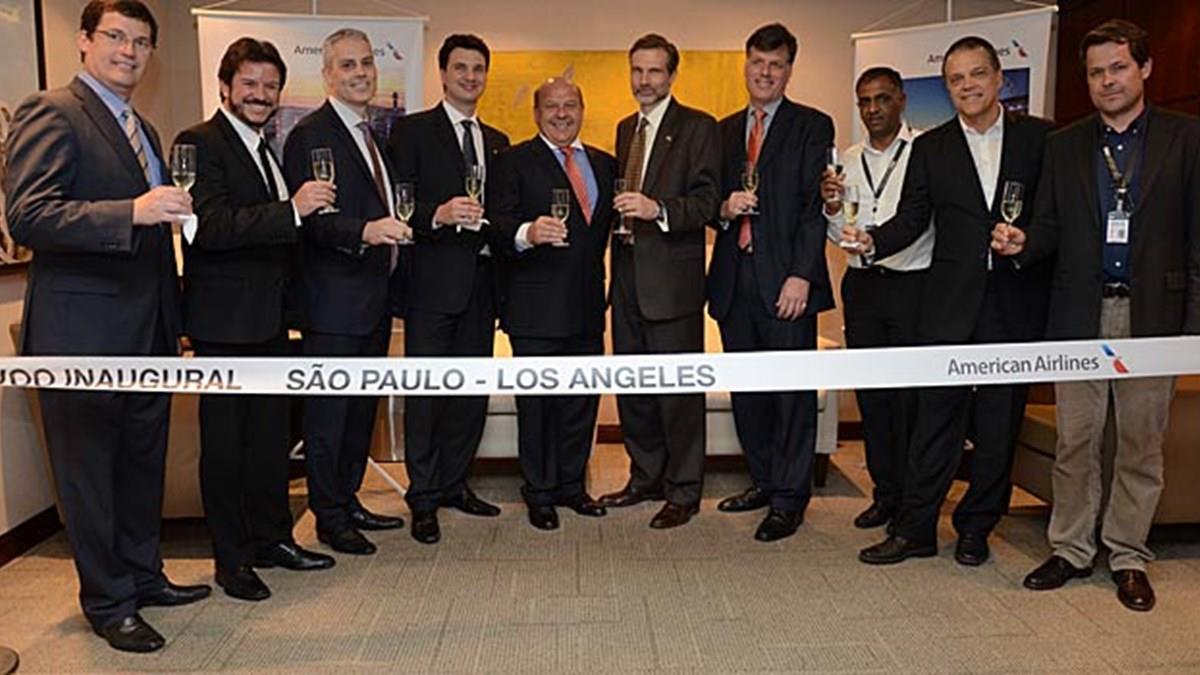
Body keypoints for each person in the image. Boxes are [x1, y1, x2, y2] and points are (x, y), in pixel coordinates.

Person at [3, 0, 210, 652]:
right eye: (116, 36)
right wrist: (132, 211)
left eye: (142, 42)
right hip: (82, 335)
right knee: (90, 475)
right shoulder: (52, 110)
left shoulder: (142, 127)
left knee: (140, 467)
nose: (129, 51)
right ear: (85, 41)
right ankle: (108, 601)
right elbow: (29, 216)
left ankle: (144, 575)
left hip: (149, 333)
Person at [994, 20, 1200, 612]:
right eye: (1095, 72)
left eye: (1118, 67)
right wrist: (1022, 243)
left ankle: (1129, 555)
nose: (1107, 80)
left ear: (1145, 68)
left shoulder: (1186, 138)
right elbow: (1050, 227)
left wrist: (1191, 329)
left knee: (1140, 444)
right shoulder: (1064, 144)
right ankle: (1072, 548)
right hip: (1079, 313)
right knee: (1076, 441)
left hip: (1154, 315)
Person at [847, 36, 1052, 567]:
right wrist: (873, 242)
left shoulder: (1041, 139)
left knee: (998, 425)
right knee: (934, 421)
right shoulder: (931, 147)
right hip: (947, 305)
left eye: (977, 74)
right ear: (947, 88)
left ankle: (976, 527)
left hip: (1013, 303)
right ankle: (915, 529)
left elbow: (1055, 219)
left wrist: (1028, 241)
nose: (968, 86)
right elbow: (914, 217)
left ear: (999, 77)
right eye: (956, 79)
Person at [175, 37, 336, 602]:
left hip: (270, 323)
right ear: (225, 86)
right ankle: (232, 560)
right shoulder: (198, 142)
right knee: (226, 448)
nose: (261, 95)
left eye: (270, 86)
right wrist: (293, 210)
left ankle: (273, 540)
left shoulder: (267, 148)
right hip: (223, 325)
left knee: (269, 442)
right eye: (249, 84)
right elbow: (210, 227)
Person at [282, 27, 409, 556]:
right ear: (327, 75)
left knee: (360, 412)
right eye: (348, 65)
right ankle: (329, 516)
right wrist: (367, 231)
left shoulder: (370, 133)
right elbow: (313, 222)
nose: (360, 73)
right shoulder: (312, 135)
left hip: (372, 300)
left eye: (366, 63)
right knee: (329, 417)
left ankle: (348, 499)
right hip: (333, 305)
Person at [707, 23, 834, 542]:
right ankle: (763, 481)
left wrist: (801, 275)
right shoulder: (722, 131)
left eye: (776, 64)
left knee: (791, 396)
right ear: (746, 65)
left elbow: (814, 208)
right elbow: (706, 201)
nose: (765, 72)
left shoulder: (812, 125)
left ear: (789, 70)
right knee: (750, 395)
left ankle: (789, 499)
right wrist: (722, 208)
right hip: (734, 282)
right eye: (758, 62)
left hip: (786, 283)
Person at [386, 34, 509, 544]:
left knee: (469, 393)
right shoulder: (411, 131)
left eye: (478, 69)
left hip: (482, 286)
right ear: (442, 73)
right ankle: (424, 495)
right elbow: (398, 202)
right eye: (461, 68)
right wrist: (437, 213)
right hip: (431, 286)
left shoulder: (498, 140)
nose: (470, 77)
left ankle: (456, 483)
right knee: (427, 394)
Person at [598, 33, 721, 529]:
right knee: (634, 387)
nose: (644, 80)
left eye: (654, 71)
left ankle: (684, 489)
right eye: (637, 70)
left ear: (671, 75)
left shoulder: (698, 127)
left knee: (678, 393)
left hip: (672, 284)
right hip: (626, 275)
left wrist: (658, 209)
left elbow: (708, 203)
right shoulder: (626, 128)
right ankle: (645, 477)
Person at [490, 78, 616, 530]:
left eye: (570, 105)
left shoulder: (604, 164)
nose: (561, 114)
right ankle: (539, 492)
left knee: (580, 403)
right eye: (551, 106)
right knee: (538, 408)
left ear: (582, 109)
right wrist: (527, 232)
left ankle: (571, 486)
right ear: (536, 113)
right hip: (534, 310)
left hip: (587, 306)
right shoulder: (512, 161)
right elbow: (495, 223)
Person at [821, 67, 929, 531]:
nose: (872, 109)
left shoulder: (924, 151)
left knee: (909, 399)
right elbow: (839, 234)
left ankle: (913, 499)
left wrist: (874, 241)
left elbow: (920, 219)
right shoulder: (847, 159)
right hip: (863, 286)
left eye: (882, 99)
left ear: (901, 100)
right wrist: (830, 208)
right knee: (873, 397)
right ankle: (885, 495)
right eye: (864, 101)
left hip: (911, 286)